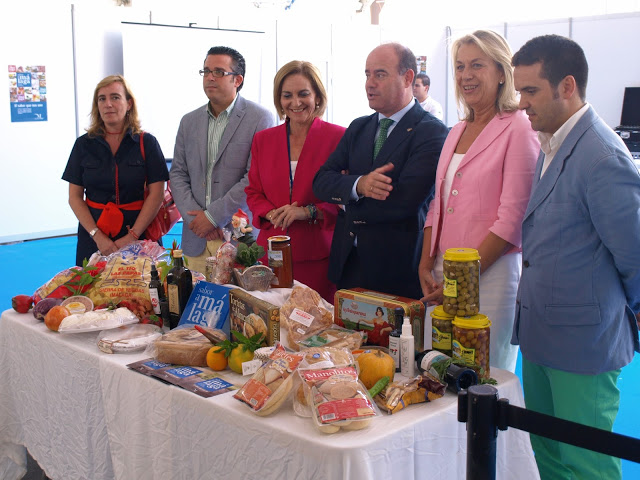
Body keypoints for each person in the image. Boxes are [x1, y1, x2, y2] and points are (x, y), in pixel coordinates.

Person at [511, 34, 640, 480]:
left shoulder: (602, 156)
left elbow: (635, 254)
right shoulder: (553, 142)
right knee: (545, 454)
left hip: (584, 344)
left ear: (567, 86)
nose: (521, 103)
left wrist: (623, 313)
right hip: (542, 334)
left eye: (530, 91)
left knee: (587, 465)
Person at [418, 30, 539, 373]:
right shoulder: (456, 130)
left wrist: (462, 281)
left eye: (476, 65)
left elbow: (513, 218)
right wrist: (425, 264)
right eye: (459, 67)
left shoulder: (519, 127)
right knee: (437, 372)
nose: (465, 75)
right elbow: (437, 204)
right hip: (443, 274)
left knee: (485, 377)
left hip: (491, 277)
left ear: (501, 72)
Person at [313, 43, 449, 300]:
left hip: (395, 270)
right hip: (348, 264)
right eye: (367, 74)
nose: (369, 83)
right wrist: (359, 185)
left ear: (407, 78)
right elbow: (321, 182)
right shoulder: (358, 128)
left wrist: (345, 202)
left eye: (380, 74)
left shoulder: (431, 131)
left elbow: (404, 203)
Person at [170, 46, 276, 275]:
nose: (210, 77)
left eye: (218, 72)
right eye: (206, 71)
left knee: (239, 299)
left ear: (237, 80)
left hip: (238, 239)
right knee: (195, 297)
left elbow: (254, 177)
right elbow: (178, 173)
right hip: (196, 238)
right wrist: (198, 220)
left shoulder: (260, 118)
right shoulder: (188, 121)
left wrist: (213, 217)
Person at [245, 61, 345, 302]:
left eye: (303, 94)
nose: (295, 102)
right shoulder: (263, 140)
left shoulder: (339, 137)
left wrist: (307, 211)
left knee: (315, 321)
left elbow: (345, 197)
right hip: (271, 255)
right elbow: (253, 192)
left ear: (317, 96)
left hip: (318, 256)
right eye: (287, 95)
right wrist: (272, 213)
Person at [62, 75, 168, 266]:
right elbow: (74, 197)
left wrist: (132, 236)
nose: (108, 104)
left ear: (129, 104)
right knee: (93, 284)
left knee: (144, 284)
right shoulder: (83, 145)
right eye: (102, 99)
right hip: (93, 237)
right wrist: (97, 236)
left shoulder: (147, 143)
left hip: (140, 234)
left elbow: (157, 194)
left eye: (115, 97)